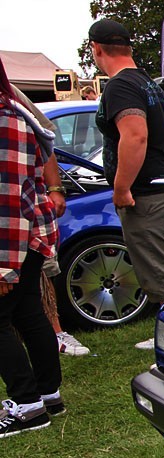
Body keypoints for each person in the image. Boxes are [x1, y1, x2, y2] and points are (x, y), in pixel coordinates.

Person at [90, 18, 164, 350]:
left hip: (149, 195)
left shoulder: (120, 86)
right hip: (163, 192)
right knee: (159, 272)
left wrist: (121, 188)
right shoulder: (146, 82)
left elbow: (135, 136)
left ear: (96, 49)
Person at [1, 57, 64, 437]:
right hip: (30, 230)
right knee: (27, 310)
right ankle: (47, 394)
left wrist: (2, 265)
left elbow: (6, 197)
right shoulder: (16, 109)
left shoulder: (5, 117)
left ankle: (27, 406)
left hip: (14, 234)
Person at [10, 84, 90, 356]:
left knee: (39, 277)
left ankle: (56, 332)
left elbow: (45, 142)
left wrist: (55, 188)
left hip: (21, 210)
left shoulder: (10, 95)